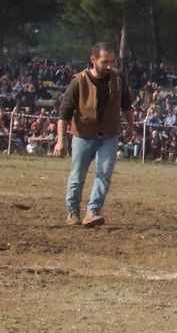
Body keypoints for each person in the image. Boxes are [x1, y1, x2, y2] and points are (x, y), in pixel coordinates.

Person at [54, 42, 134, 227]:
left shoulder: (119, 79)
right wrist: (60, 141)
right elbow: (64, 114)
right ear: (93, 60)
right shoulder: (78, 81)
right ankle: (72, 212)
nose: (109, 66)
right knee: (77, 175)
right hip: (83, 134)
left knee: (104, 173)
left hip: (109, 135)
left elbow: (126, 106)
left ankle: (92, 211)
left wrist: (131, 127)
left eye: (112, 62)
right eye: (105, 62)